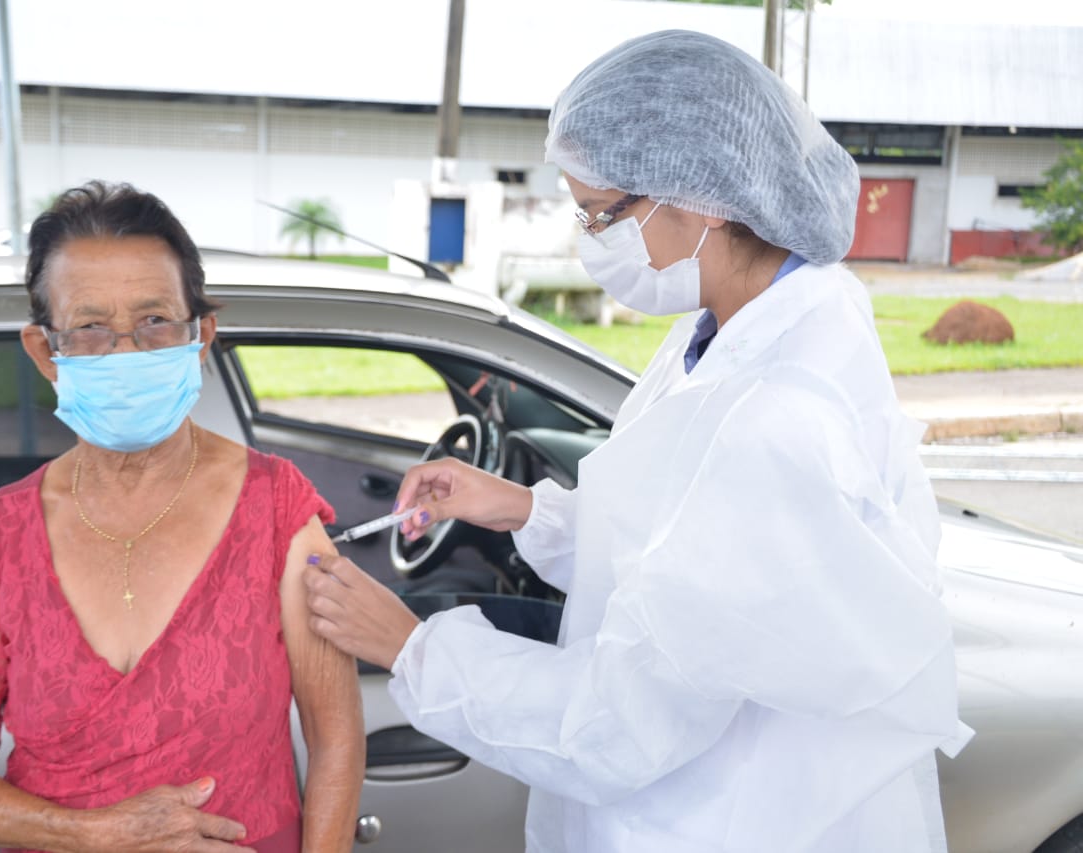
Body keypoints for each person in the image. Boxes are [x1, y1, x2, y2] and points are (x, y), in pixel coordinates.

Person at [304, 30, 972, 853]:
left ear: (701, 201)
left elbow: (616, 726)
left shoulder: (776, 418)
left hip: (744, 819)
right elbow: (683, 551)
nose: (587, 236)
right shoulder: (742, 319)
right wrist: (524, 511)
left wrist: (411, 647)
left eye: (599, 212)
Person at [0, 181, 364, 853]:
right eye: (89, 327)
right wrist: (97, 832)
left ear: (201, 336)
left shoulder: (276, 507)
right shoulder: (1, 535)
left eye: (154, 321)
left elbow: (337, 739)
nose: (124, 352)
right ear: (43, 351)